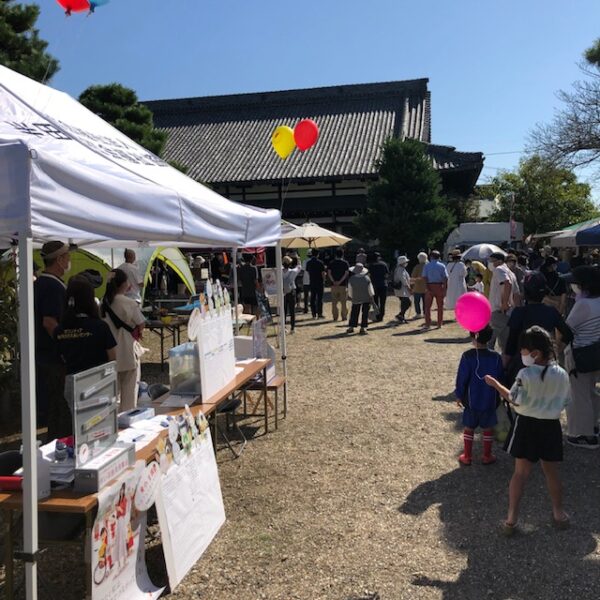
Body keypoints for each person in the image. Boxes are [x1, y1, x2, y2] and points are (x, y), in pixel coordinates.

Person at [484, 326, 571, 534]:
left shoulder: (525, 374)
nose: (521, 354)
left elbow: (514, 399)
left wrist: (496, 384)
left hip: (526, 425)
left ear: (535, 353)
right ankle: (559, 513)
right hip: (550, 426)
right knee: (551, 472)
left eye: (523, 351)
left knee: (520, 473)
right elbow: (566, 401)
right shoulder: (561, 373)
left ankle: (511, 518)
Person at [503, 271, 572, 385]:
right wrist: (556, 351)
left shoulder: (519, 312)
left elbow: (511, 343)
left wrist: (505, 366)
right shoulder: (551, 312)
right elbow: (568, 334)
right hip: (545, 364)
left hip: (522, 364)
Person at [34, 241, 72, 438]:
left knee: (53, 407)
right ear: (59, 260)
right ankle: (58, 445)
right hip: (53, 357)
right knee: (59, 407)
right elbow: (49, 322)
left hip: (44, 354)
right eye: (67, 257)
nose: (69, 261)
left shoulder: (41, 283)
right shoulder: (51, 285)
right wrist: (65, 348)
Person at [454, 326, 504, 466]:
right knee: (488, 427)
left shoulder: (467, 356)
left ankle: (467, 456)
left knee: (469, 427)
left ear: (473, 337)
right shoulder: (496, 357)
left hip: (471, 400)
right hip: (490, 399)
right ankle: (487, 455)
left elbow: (462, 378)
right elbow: (500, 377)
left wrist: (459, 394)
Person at [564, 266, 600, 449]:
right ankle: (594, 426)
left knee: (580, 395)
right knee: (591, 391)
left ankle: (586, 435)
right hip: (595, 351)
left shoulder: (583, 304)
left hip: (580, 353)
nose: (573, 286)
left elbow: (567, 328)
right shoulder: (598, 301)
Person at [102, 269, 146, 412]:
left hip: (108, 351)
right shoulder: (129, 303)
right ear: (124, 284)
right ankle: (127, 424)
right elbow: (141, 323)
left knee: (112, 394)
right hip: (127, 349)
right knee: (129, 393)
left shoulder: (103, 303)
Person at [55, 278, 117, 375]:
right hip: (97, 381)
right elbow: (113, 357)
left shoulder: (59, 330)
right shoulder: (100, 327)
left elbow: (59, 358)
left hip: (69, 381)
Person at [488, 252, 517, 352]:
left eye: (492, 261)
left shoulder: (499, 269)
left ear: (499, 261)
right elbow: (516, 293)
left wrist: (504, 303)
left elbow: (506, 283)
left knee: (489, 342)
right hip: (508, 312)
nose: (491, 263)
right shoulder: (510, 272)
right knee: (505, 344)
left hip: (498, 310)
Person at [422, 250, 448, 329]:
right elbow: (445, 278)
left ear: (431, 257)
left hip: (430, 285)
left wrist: (427, 287)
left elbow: (424, 277)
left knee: (427, 307)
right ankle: (439, 323)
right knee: (440, 306)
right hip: (439, 286)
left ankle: (427, 324)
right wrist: (444, 288)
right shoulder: (442, 266)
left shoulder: (427, 265)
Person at [346, 263, 374, 335]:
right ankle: (363, 327)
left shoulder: (351, 279)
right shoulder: (367, 278)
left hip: (356, 297)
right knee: (365, 313)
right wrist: (371, 297)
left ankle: (351, 327)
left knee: (354, 312)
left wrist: (351, 296)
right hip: (366, 298)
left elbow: (350, 290)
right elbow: (370, 290)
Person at [327, 249, 350, 322]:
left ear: (335, 255)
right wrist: (340, 281)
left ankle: (335, 316)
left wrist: (333, 281)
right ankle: (344, 316)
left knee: (334, 302)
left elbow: (329, 273)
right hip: (342, 285)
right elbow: (346, 274)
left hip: (333, 285)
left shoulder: (331, 263)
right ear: (342, 255)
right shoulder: (345, 263)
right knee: (343, 302)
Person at [367, 252, 389, 322]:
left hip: (374, 285)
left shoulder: (371, 265)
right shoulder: (384, 264)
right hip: (383, 284)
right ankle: (381, 316)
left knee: (376, 302)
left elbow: (369, 275)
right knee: (383, 302)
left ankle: (377, 315)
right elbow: (386, 275)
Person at [281, 256, 301, 333]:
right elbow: (299, 267)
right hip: (291, 291)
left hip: (283, 292)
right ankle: (292, 328)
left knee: (284, 311)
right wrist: (298, 259)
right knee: (292, 311)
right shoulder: (292, 272)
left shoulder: (279, 272)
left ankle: (284, 327)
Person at [306, 250, 326, 318]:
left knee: (312, 298)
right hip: (319, 282)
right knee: (320, 298)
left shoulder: (308, 262)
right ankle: (319, 313)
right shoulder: (320, 262)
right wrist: (324, 280)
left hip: (312, 281)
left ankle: (313, 313)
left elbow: (308, 272)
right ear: (318, 254)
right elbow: (323, 273)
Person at [392, 255, 412, 323]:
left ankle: (401, 316)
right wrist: (408, 287)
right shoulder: (400, 269)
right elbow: (403, 279)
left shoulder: (401, 268)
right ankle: (401, 315)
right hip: (402, 289)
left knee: (405, 303)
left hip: (402, 289)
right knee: (407, 302)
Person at [410, 252, 428, 318]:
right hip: (427, 287)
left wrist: (411, 286)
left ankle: (418, 313)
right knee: (425, 301)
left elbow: (413, 277)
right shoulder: (428, 266)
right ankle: (425, 313)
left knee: (417, 301)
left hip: (418, 287)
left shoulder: (417, 267)